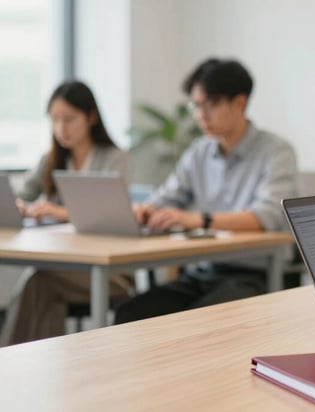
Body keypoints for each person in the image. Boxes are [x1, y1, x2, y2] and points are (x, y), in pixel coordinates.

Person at [114, 58, 297, 324]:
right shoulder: (199, 152)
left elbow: (267, 216)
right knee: (131, 314)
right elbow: (169, 196)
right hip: (204, 271)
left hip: (256, 274)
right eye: (196, 106)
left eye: (210, 105)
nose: (201, 115)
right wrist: (147, 210)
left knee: (200, 322)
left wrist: (200, 219)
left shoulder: (276, 152)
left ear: (239, 103)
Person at [1, 81, 133, 346]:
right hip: (63, 263)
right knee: (40, 284)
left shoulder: (115, 158)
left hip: (108, 270)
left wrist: (60, 212)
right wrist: (20, 206)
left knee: (38, 282)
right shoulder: (51, 159)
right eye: (55, 120)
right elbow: (22, 193)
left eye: (69, 119)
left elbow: (112, 214)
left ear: (91, 117)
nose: (61, 128)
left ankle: (11, 355)